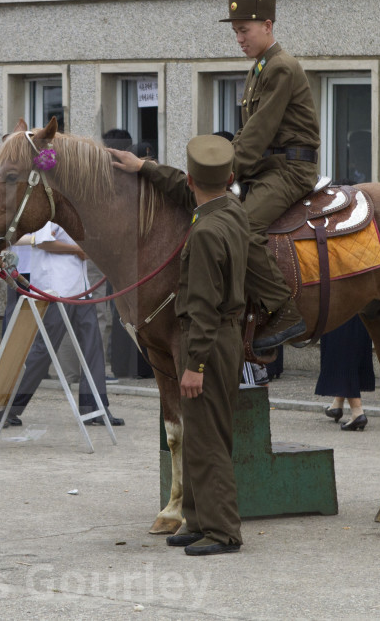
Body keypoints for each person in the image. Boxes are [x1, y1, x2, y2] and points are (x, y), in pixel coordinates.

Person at [110, 134, 248, 556]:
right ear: (229, 177)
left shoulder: (205, 231)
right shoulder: (230, 209)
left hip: (205, 341)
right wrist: (145, 168)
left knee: (207, 439)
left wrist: (195, 366)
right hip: (217, 338)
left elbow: (204, 308)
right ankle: (195, 518)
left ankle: (223, 532)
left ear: (189, 179)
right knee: (200, 435)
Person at [221, 0, 319, 352]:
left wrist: (225, 174)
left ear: (267, 26)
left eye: (244, 30)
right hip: (267, 168)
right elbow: (245, 135)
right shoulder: (259, 67)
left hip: (290, 169)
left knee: (241, 228)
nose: (239, 39)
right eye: (235, 32)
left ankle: (284, 309)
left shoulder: (280, 66)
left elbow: (259, 132)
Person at [7, 222, 124, 426]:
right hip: (56, 287)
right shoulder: (50, 208)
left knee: (93, 345)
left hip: (80, 285)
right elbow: (44, 242)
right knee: (44, 349)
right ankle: (11, 406)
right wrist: (78, 249)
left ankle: (95, 407)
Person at [316, 315, 374, 431]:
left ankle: (357, 411)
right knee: (353, 343)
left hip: (341, 308)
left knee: (340, 347)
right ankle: (337, 403)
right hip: (360, 308)